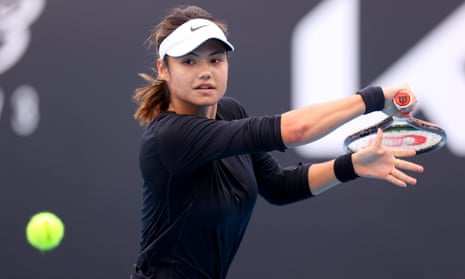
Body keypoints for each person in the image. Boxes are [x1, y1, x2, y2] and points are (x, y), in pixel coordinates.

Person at [130, 5, 424, 279]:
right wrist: (375, 98)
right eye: (189, 61)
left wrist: (353, 165)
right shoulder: (170, 138)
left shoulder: (230, 111)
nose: (205, 71)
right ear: (163, 69)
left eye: (215, 59)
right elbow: (298, 130)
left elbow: (278, 186)